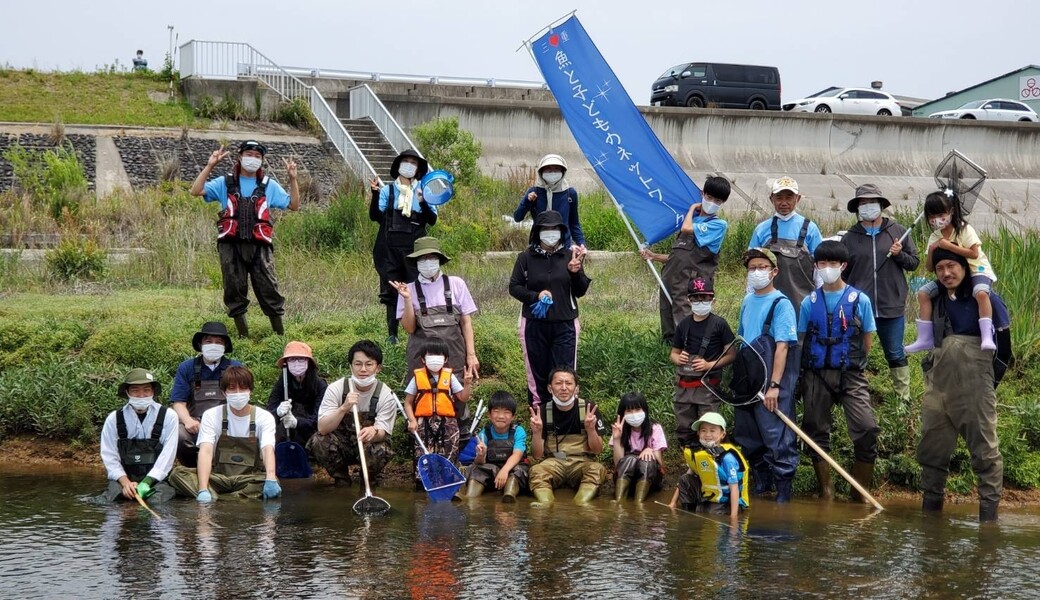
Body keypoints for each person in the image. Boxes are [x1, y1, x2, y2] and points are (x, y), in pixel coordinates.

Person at [917, 248, 1011, 522]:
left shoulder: (987, 299)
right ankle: (930, 520)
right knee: (931, 452)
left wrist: (987, 386)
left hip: (977, 390)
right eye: (939, 269)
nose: (946, 273)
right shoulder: (934, 301)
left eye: (951, 266)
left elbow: (1004, 353)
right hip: (938, 390)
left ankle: (989, 520)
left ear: (965, 267)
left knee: (985, 454)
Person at [190, 140, 300, 338]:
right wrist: (210, 165)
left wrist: (292, 179)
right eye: (249, 154)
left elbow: (294, 205)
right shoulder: (225, 182)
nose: (253, 159)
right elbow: (196, 191)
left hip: (260, 247)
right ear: (240, 157)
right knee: (234, 290)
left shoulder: (268, 185)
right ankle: (243, 336)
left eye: (257, 156)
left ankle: (279, 337)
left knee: (269, 290)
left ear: (262, 161)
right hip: (230, 247)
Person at [798, 241, 879, 502]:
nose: (827, 268)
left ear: (843, 266)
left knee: (866, 428)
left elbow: (867, 341)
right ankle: (826, 490)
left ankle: (859, 493)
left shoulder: (860, 300)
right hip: (816, 373)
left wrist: (852, 362)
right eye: (822, 264)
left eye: (833, 264)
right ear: (816, 266)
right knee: (814, 428)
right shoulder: (808, 302)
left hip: (851, 374)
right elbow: (801, 340)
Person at [841, 183, 920, 403]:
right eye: (863, 204)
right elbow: (843, 274)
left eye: (871, 202)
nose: (868, 207)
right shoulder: (849, 237)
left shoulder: (897, 231)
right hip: (859, 307)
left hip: (891, 304)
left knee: (895, 352)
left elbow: (914, 263)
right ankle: (855, 397)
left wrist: (899, 254)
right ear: (857, 208)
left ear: (881, 205)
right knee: (856, 352)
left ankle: (902, 401)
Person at [733, 248, 799, 502]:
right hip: (746, 378)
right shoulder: (747, 301)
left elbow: (782, 346)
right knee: (748, 434)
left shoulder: (781, 304)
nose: (757, 272)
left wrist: (774, 386)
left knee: (777, 435)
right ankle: (762, 484)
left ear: (774, 271)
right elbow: (741, 338)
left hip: (771, 379)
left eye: (762, 267)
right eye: (752, 268)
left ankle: (783, 490)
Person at [509, 210, 591, 407]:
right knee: (537, 372)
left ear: (561, 232)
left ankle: (565, 415)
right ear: (537, 232)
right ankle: (540, 418)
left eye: (555, 229)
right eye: (546, 229)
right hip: (534, 325)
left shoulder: (570, 255)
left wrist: (575, 272)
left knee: (564, 373)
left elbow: (580, 291)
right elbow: (514, 287)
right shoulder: (525, 257)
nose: (550, 233)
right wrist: (535, 296)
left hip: (565, 324)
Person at [169, 366, 282, 501]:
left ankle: (218, 499)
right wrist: (203, 488)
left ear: (250, 391)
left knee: (272, 480)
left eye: (243, 388)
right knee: (178, 474)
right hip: (219, 478)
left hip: (249, 478)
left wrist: (270, 478)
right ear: (224, 392)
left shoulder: (264, 417)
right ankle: (231, 498)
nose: (238, 393)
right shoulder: (211, 415)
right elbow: (206, 451)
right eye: (232, 388)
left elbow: (268, 449)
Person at [906, 191, 998, 353]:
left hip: (976, 270)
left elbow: (974, 253)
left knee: (981, 293)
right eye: (932, 216)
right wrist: (933, 250)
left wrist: (949, 246)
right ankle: (925, 337)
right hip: (952, 276)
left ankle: (986, 335)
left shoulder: (964, 229)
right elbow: (929, 267)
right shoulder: (934, 237)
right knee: (923, 293)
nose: (937, 220)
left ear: (952, 212)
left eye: (941, 215)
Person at [641, 176, 731, 342]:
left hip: (692, 282)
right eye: (709, 197)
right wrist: (654, 256)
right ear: (702, 194)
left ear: (722, 203)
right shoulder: (693, 220)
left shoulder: (717, 225)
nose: (711, 202)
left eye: (717, 200)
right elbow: (679, 256)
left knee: (686, 316)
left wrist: (690, 209)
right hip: (671, 277)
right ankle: (670, 348)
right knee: (667, 313)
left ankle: (690, 352)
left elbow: (687, 229)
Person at [369, 149, 437, 344]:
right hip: (388, 250)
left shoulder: (425, 191)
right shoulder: (387, 191)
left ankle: (420, 332)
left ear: (418, 170)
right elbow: (376, 217)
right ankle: (393, 334)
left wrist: (423, 202)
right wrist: (374, 195)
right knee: (391, 291)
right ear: (398, 166)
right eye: (405, 161)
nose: (409, 165)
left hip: (414, 250)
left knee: (417, 289)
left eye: (413, 163)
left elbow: (431, 220)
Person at [308, 340, 399, 486]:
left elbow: (384, 431)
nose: (363, 369)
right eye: (358, 364)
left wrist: (374, 431)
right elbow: (323, 428)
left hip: (366, 444)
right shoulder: (336, 389)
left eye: (369, 364)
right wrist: (344, 407)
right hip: (341, 444)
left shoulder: (386, 394)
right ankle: (341, 478)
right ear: (351, 366)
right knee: (319, 441)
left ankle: (367, 478)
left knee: (382, 448)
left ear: (378, 368)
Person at [391, 236, 480, 379]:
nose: (427, 262)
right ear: (416, 262)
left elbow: (466, 322)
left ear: (439, 260)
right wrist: (407, 299)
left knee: (456, 397)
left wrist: (471, 355)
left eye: (431, 257)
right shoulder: (408, 289)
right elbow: (409, 328)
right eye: (422, 259)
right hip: (421, 361)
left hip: (454, 358)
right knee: (421, 397)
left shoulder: (456, 284)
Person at [670, 276, 736, 449]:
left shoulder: (719, 324)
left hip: (707, 387)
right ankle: (690, 459)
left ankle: (713, 460)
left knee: (709, 425)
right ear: (689, 300)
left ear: (713, 299)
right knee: (685, 427)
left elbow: (731, 354)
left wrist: (709, 365)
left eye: (705, 297)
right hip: (683, 388)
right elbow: (673, 353)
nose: (701, 301)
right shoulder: (683, 324)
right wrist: (678, 358)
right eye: (696, 298)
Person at [96, 368, 179, 504]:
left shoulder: (169, 416)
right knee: (109, 501)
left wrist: (147, 482)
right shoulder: (114, 419)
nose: (141, 395)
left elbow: (167, 456)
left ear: (153, 391)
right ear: (127, 392)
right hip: (124, 479)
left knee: (156, 502)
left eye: (146, 390)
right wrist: (125, 483)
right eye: (135, 390)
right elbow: (110, 457)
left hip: (156, 481)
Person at [528, 367, 608, 505]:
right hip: (553, 463)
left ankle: (581, 502)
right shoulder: (541, 412)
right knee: (536, 470)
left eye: (569, 383)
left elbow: (597, 450)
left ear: (576, 388)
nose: (564, 388)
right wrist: (536, 432)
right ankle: (546, 503)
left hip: (582, 462)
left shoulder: (589, 408)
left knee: (597, 469)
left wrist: (591, 430)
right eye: (558, 383)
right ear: (549, 388)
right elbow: (537, 455)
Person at [169, 321, 242, 467]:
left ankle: (227, 468)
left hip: (226, 421)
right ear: (201, 344)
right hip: (195, 423)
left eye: (218, 342)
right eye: (209, 341)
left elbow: (241, 399)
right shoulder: (187, 367)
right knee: (178, 435)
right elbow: (178, 402)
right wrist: (188, 421)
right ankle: (191, 468)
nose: (213, 345)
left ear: (225, 346)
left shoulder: (234, 367)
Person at [747, 176, 823, 310]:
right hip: (767, 302)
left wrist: (822, 299)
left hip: (803, 302)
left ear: (797, 199)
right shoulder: (761, 230)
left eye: (789, 197)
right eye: (779, 197)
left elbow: (820, 269)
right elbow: (752, 268)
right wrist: (749, 296)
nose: (784, 202)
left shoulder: (811, 229)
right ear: (772, 199)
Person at [403, 339, 474, 474]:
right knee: (423, 453)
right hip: (423, 422)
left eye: (439, 355)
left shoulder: (449, 376)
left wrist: (467, 383)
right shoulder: (417, 377)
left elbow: (463, 397)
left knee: (449, 451)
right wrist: (412, 420)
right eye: (430, 355)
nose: (434, 358)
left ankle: (448, 478)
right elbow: (408, 402)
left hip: (447, 422)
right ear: (423, 359)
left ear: (445, 358)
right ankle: (422, 484)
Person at [668, 412, 748, 519]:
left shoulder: (727, 458)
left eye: (712, 430)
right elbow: (684, 480)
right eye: (703, 430)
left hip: (725, 502)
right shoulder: (700, 454)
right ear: (698, 433)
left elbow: (734, 488)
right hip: (708, 498)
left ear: (722, 434)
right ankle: (687, 513)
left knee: (711, 514)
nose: (707, 434)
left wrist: (733, 517)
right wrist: (673, 503)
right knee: (685, 479)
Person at [462, 391, 529, 502]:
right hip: (492, 471)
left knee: (517, 473)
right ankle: (470, 497)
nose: (501, 416)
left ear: (513, 416)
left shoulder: (518, 431)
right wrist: (481, 455)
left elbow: (518, 454)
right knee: (477, 470)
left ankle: (509, 496)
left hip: (513, 469)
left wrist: (505, 470)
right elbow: (479, 463)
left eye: (506, 412)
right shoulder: (484, 434)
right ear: (489, 415)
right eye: (496, 411)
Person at [513, 154, 586, 250]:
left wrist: (581, 243)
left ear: (562, 172)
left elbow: (574, 222)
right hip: (538, 246)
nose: (552, 172)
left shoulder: (569, 194)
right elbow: (517, 217)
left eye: (556, 169)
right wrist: (528, 201)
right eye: (548, 169)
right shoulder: (534, 192)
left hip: (563, 246)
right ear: (541, 172)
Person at [267, 341, 327, 446]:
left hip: (310, 429)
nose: (296, 363)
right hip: (285, 430)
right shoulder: (282, 383)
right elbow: (269, 411)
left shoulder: (320, 385)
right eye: (292, 359)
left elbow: (320, 418)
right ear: (286, 363)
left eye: (301, 359)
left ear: (309, 362)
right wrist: (277, 411)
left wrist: (297, 422)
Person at [609, 391, 667, 502]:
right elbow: (618, 464)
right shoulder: (620, 429)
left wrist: (650, 449)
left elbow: (660, 463)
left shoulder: (655, 428)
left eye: (637, 409)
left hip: (649, 479)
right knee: (630, 459)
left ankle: (638, 503)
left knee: (646, 460)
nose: (634, 414)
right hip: (625, 477)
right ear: (623, 413)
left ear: (644, 410)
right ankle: (619, 500)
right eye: (629, 411)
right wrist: (617, 438)